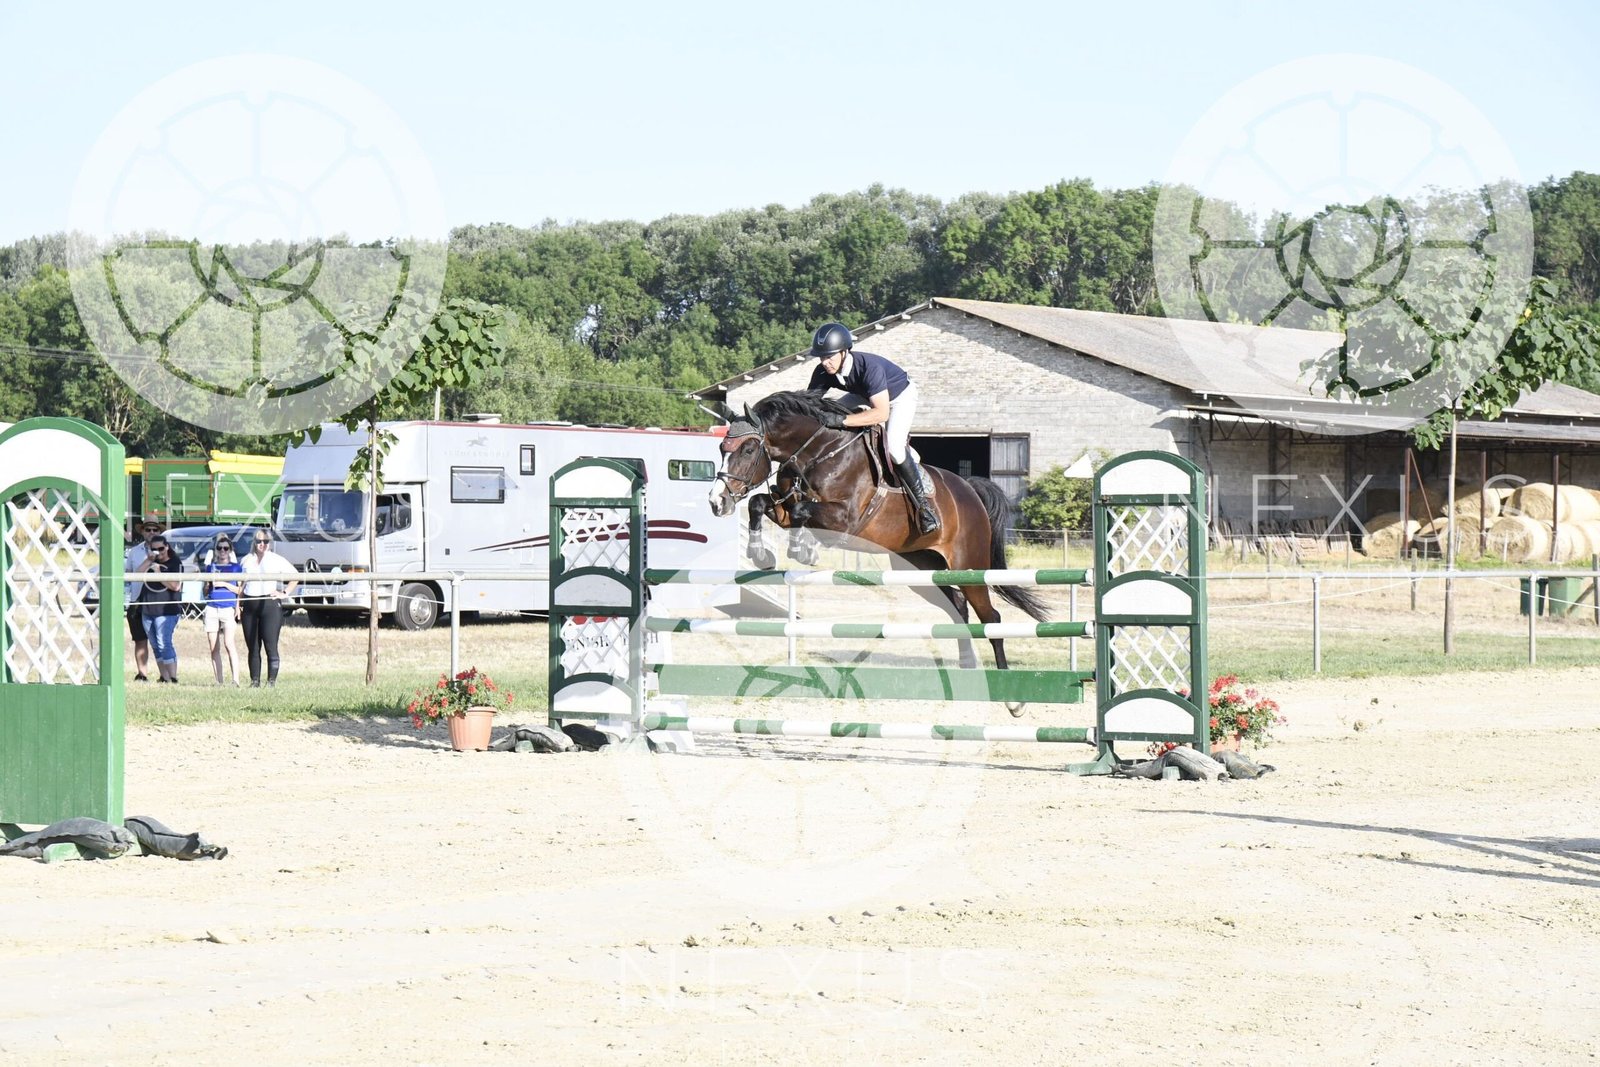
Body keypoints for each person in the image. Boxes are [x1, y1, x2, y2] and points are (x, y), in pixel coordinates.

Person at [805, 321, 941, 535]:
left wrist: (842, 421)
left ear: (844, 351)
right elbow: (809, 406)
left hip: (899, 397)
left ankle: (924, 508)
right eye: (821, 357)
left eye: (829, 356)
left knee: (894, 448)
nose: (825, 362)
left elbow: (881, 413)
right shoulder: (823, 372)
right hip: (864, 395)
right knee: (831, 411)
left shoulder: (869, 368)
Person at [240, 530, 298, 688]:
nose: (262, 544)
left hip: (270, 605)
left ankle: (271, 681)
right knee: (253, 647)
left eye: (265, 541)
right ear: (254, 542)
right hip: (250, 604)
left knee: (270, 645)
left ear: (270, 543)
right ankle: (254, 682)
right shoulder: (246, 560)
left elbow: (295, 576)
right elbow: (242, 584)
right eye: (259, 541)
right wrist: (238, 603)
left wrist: (284, 593)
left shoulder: (275, 559)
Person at [137, 535, 184, 683]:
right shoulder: (151, 562)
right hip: (148, 609)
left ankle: (173, 678)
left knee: (164, 643)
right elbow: (136, 576)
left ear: (167, 547)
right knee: (155, 645)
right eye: (154, 549)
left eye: (161, 548)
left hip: (166, 611)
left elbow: (175, 586)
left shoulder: (175, 563)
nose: (158, 552)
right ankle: (165, 678)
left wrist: (158, 574)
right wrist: (149, 560)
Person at [124, 517, 164, 681]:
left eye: (155, 530)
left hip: (158, 601)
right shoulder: (134, 552)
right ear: (142, 531)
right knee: (140, 640)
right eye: (148, 529)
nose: (152, 532)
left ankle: (165, 674)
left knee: (160, 641)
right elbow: (128, 575)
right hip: (137, 601)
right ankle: (142, 674)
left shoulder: (166, 551)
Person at [202, 534, 244, 686]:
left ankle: (235, 680)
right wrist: (208, 585)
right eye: (219, 548)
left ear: (230, 550)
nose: (222, 551)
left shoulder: (236, 567)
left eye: (226, 548)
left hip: (228, 608)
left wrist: (225, 584)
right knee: (213, 647)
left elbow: (240, 590)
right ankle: (219, 681)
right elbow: (205, 592)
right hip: (212, 607)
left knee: (229, 643)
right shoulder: (210, 567)